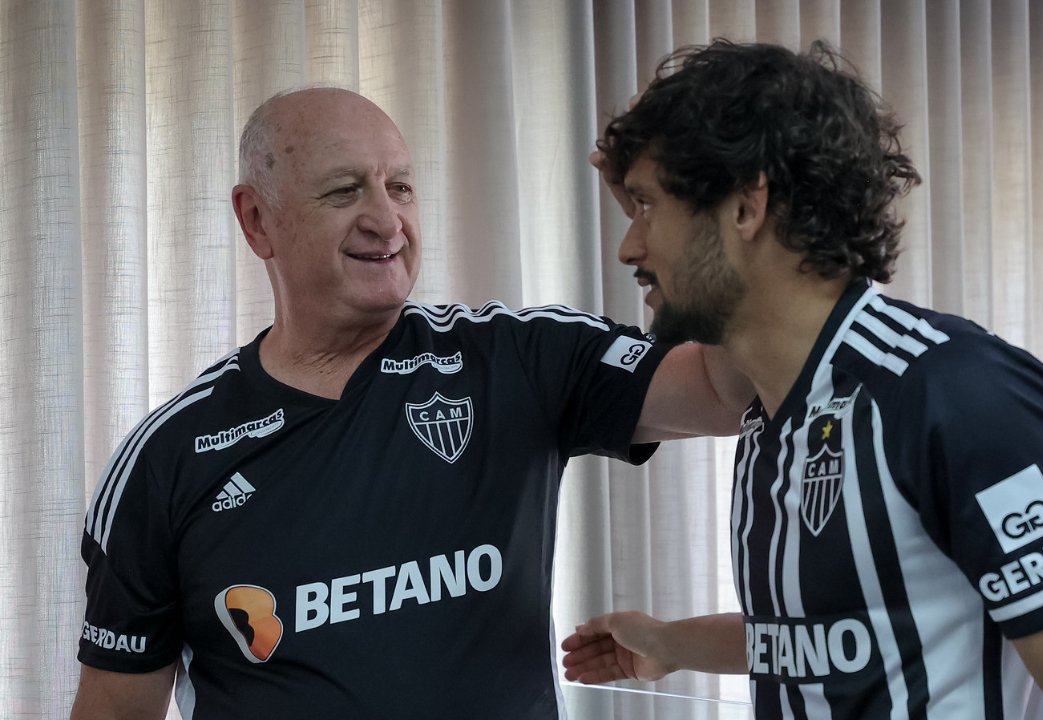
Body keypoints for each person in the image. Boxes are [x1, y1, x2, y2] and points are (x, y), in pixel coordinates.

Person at [70, 87, 752, 719]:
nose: (387, 219)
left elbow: (731, 390)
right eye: (344, 192)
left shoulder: (518, 358)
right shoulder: (167, 459)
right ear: (257, 220)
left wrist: (696, 222)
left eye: (400, 186)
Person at [561, 40, 1043, 720]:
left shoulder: (954, 394)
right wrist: (666, 642)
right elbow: (838, 633)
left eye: (647, 207)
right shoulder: (773, 415)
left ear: (745, 207)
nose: (629, 246)